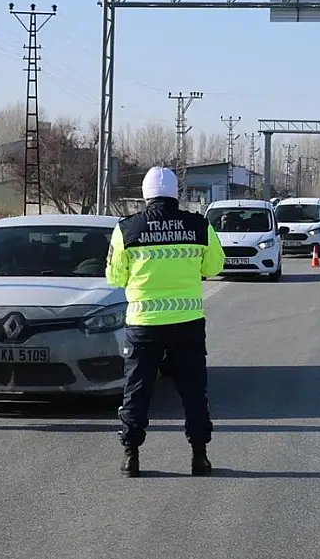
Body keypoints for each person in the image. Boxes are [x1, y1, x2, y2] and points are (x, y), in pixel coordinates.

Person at [105, 166, 225, 478]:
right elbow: (214, 265)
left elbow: (115, 277)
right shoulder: (198, 225)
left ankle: (131, 457)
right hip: (187, 322)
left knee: (137, 390)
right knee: (194, 392)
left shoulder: (127, 229)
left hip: (143, 324)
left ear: (145, 195)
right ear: (176, 192)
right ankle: (200, 457)